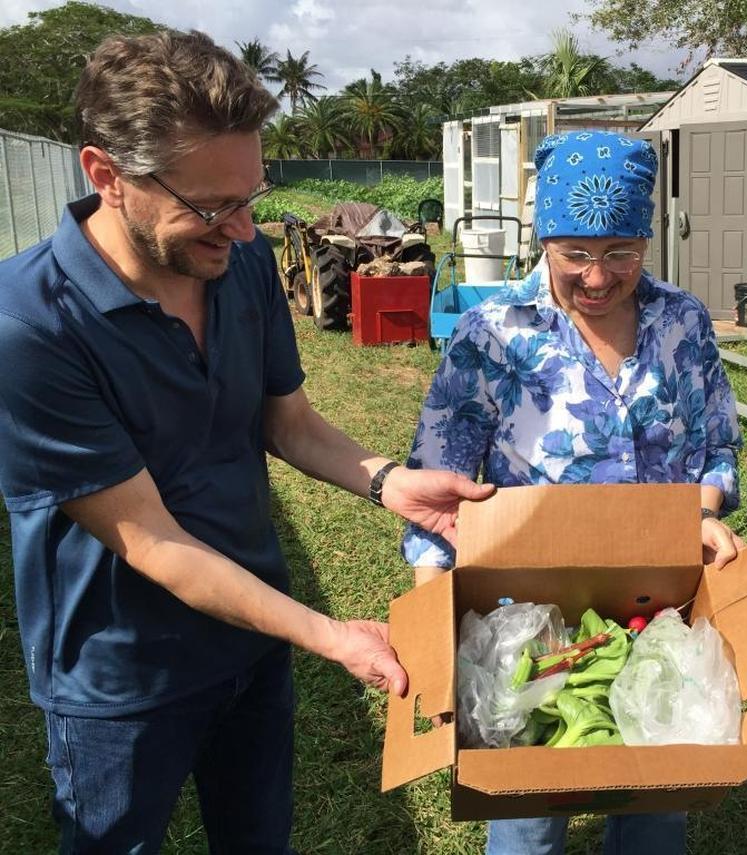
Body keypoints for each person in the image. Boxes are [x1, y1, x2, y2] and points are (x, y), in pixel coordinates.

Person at [0, 31, 491, 854]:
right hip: (121, 675)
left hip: (255, 637)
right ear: (106, 175)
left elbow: (285, 420)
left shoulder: (242, 263)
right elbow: (153, 542)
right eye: (210, 205)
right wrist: (328, 633)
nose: (243, 228)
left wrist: (389, 483)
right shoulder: (30, 327)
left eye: (251, 196)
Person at [402, 130, 745, 854]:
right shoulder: (492, 334)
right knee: (527, 816)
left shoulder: (682, 322)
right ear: (545, 239)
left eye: (621, 252)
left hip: (656, 610)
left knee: (656, 797)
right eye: (575, 254)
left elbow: (715, 445)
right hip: (524, 621)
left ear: (646, 241)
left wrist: (704, 517)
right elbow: (438, 487)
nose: (597, 276)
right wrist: (431, 639)